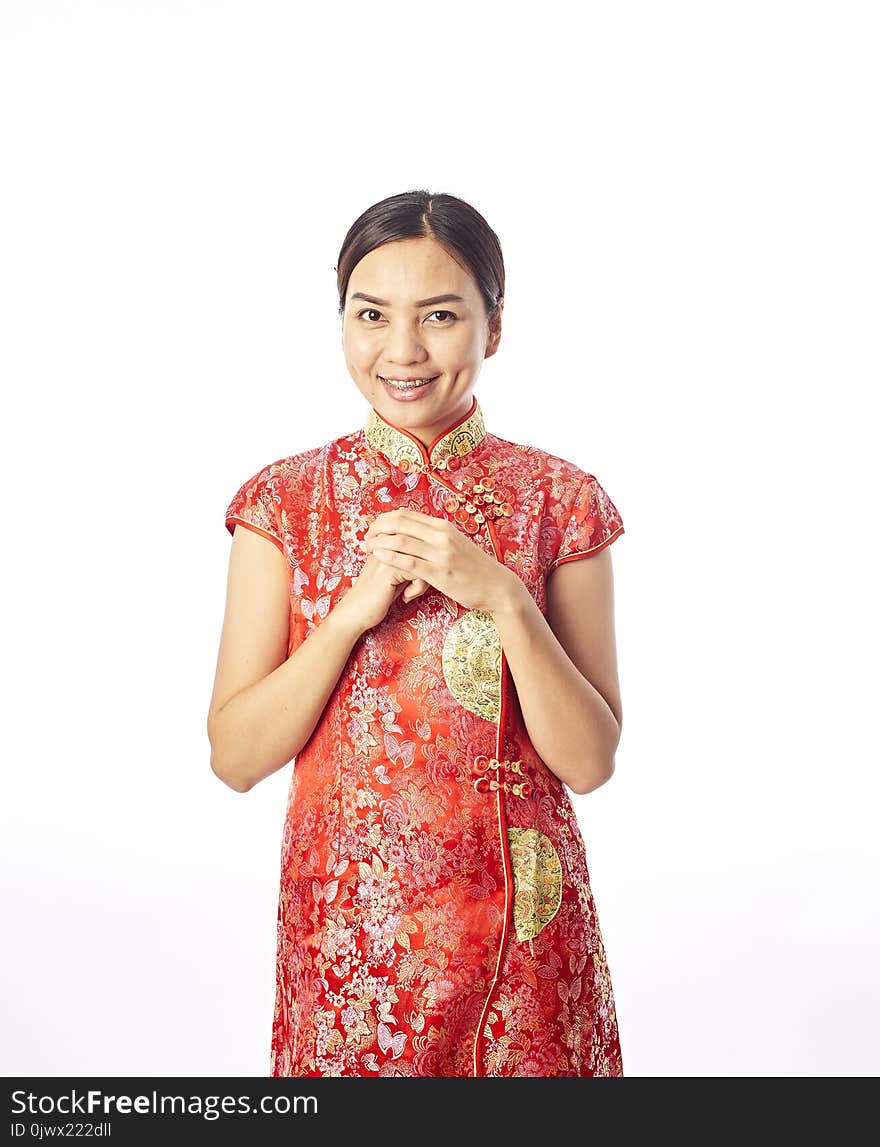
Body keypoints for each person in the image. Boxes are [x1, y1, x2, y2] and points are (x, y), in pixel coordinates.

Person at [208, 190, 626, 1077]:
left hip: (524, 935)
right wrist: (351, 614)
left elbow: (589, 762)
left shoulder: (562, 500)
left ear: (495, 325)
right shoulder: (284, 503)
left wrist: (505, 597)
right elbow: (235, 755)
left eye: (441, 316)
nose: (402, 350)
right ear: (343, 323)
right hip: (353, 943)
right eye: (372, 316)